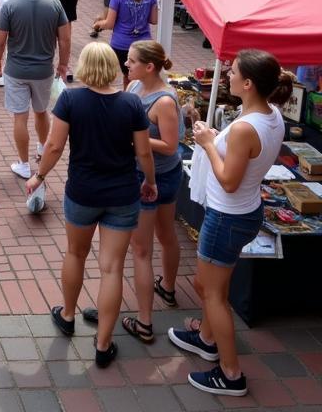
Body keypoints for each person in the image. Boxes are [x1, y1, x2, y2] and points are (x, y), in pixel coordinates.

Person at [170, 51, 291, 397]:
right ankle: (207, 339)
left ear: (249, 84)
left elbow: (228, 180)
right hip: (240, 213)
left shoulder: (245, 128)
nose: (227, 76)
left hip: (228, 216)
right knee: (212, 288)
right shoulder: (271, 115)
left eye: (233, 72)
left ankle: (231, 373)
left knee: (211, 293)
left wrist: (208, 144)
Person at [30, 42, 156, 369]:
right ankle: (103, 343)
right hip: (122, 194)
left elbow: (55, 145)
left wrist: (39, 176)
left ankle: (69, 315)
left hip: (83, 192)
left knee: (75, 254)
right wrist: (150, 182)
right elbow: (143, 153)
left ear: (85, 67)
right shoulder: (131, 103)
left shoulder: (71, 99)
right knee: (112, 268)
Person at [121, 41, 182, 344]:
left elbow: (171, 145)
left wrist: (136, 138)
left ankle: (145, 323)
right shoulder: (134, 89)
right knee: (163, 234)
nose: (126, 65)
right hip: (149, 173)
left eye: (131, 61)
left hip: (156, 177)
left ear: (149, 67)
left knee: (143, 248)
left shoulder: (165, 102)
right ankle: (167, 289)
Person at [0, 0, 69, 183]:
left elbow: (0, 40)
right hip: (44, 69)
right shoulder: (54, 4)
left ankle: (24, 164)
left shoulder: (9, 6)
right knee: (41, 111)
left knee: (20, 116)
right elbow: (64, 38)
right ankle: (43, 149)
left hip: (16, 69)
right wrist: (63, 64)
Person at [94, 0, 158, 79]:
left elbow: (109, 24)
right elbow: (153, 20)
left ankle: (128, 97)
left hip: (122, 45)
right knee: (142, 80)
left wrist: (98, 24)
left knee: (128, 78)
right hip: (144, 44)